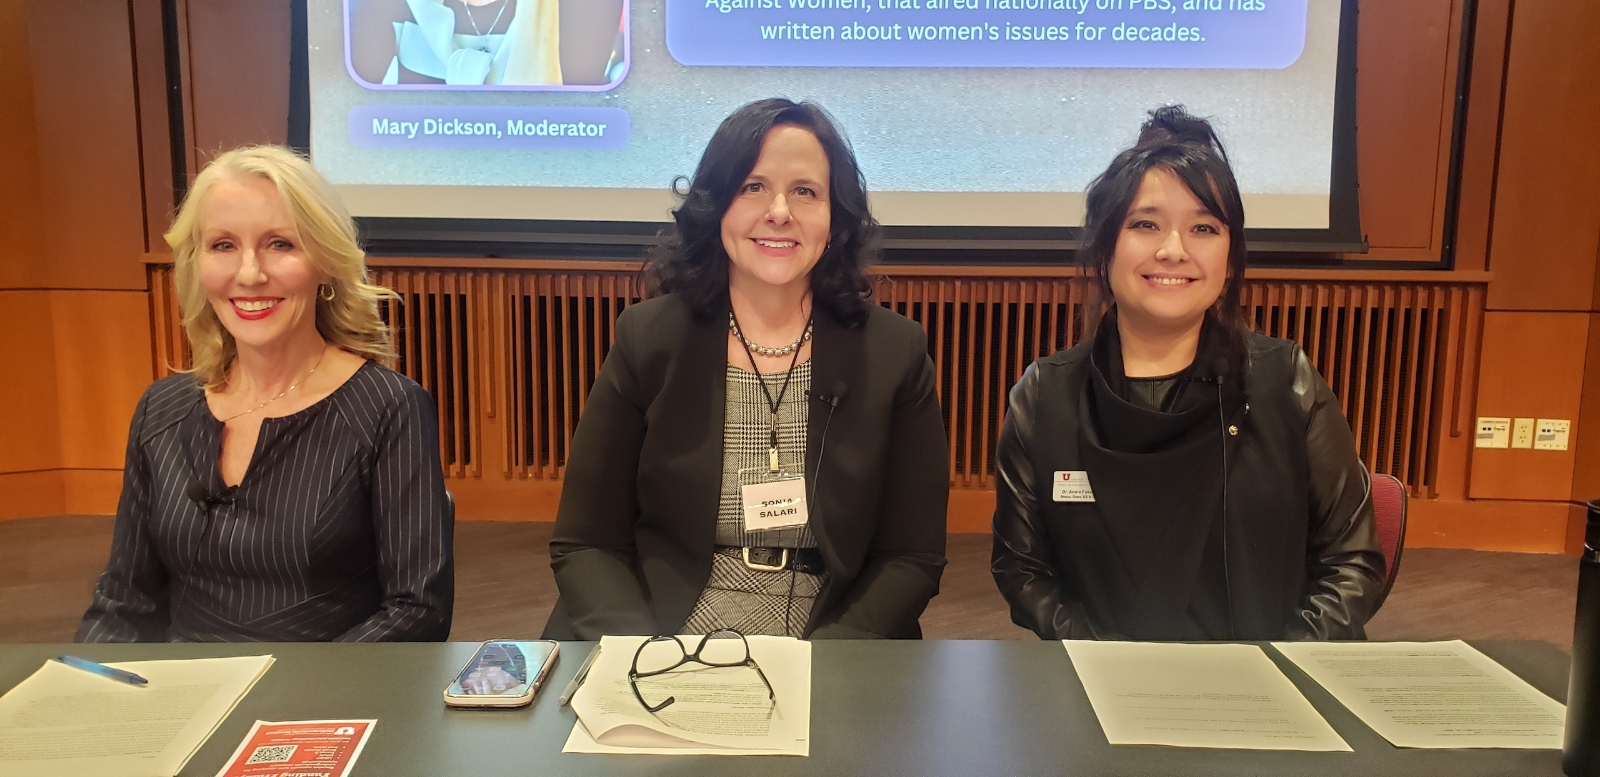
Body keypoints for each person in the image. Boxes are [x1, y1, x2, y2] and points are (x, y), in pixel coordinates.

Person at [543, 98, 948, 641]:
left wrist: (826, 664)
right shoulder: (648, 339)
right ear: (717, 207)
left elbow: (911, 556)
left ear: (836, 217)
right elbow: (586, 542)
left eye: (805, 191)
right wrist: (641, 655)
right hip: (662, 620)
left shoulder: (895, 352)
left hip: (830, 628)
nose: (779, 211)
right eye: (753, 186)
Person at [990, 106, 1383, 642]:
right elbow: (1023, 568)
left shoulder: (1286, 381)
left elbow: (1352, 563)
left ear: (1230, 253)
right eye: (1145, 224)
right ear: (1105, 246)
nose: (1173, 250)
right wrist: (1106, 665)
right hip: (1105, 693)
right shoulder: (1044, 395)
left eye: (1203, 227)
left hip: (1267, 696)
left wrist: (1278, 671)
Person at [78, 146, 453, 643]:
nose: (250, 273)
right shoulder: (161, 409)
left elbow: (416, 611)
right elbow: (124, 603)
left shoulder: (389, 408)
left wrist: (280, 701)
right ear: (198, 264)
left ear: (324, 262)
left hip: (319, 702)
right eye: (223, 246)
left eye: (279, 244)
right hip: (185, 699)